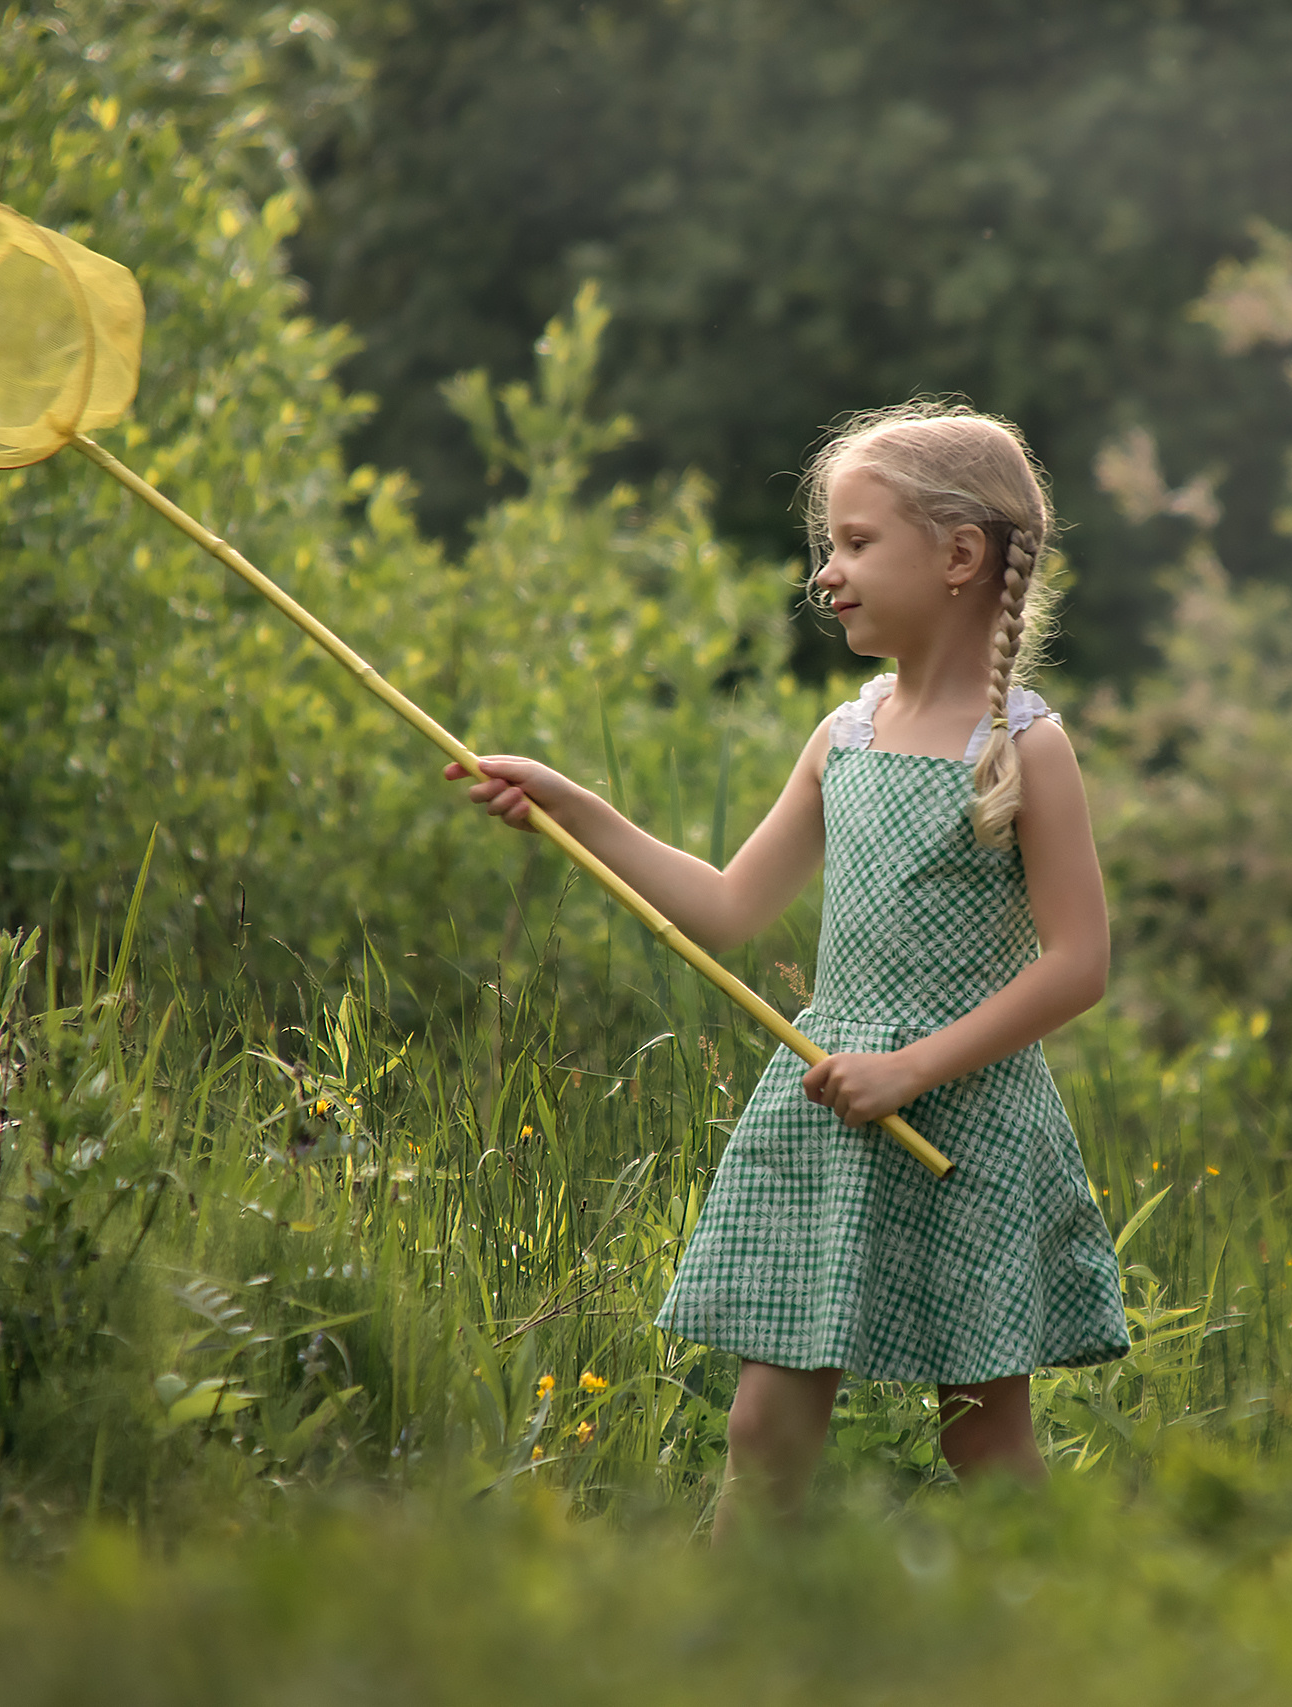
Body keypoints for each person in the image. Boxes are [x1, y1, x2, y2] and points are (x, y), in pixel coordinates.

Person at [447, 403, 1127, 1529]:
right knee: (765, 1422)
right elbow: (725, 905)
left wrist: (909, 1069)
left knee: (982, 1430)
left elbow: (1079, 965)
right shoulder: (843, 736)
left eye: (856, 544)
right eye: (829, 547)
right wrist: (573, 807)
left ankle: (1061, 1641)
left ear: (959, 556)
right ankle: (723, 1643)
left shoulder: (1024, 748)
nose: (825, 575)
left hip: (965, 1114)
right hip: (829, 1104)